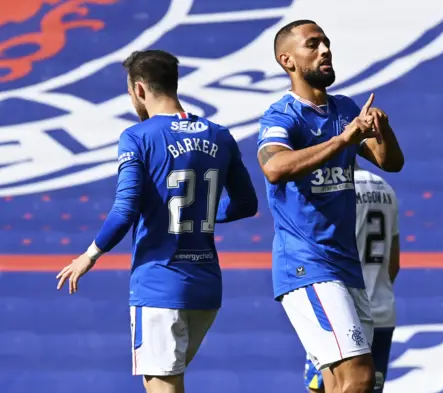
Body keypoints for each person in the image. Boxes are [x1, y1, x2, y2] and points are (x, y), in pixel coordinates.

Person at [55, 49, 258, 393]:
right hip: (206, 288)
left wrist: (89, 255)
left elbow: (124, 209)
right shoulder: (219, 134)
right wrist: (203, 213)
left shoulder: (138, 137)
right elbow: (246, 203)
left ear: (138, 90)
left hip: (160, 285)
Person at [256, 19, 405, 393]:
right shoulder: (282, 115)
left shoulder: (344, 108)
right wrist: (342, 141)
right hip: (307, 264)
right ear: (287, 60)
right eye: (313, 44)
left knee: (337, 384)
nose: (325, 50)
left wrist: (381, 128)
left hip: (346, 267)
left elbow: (391, 163)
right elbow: (274, 168)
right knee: (360, 377)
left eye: (326, 42)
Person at [304, 162, 401, 393]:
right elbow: (393, 264)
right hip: (380, 309)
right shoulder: (385, 188)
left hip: (340, 313)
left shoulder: (333, 190)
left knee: (322, 388)